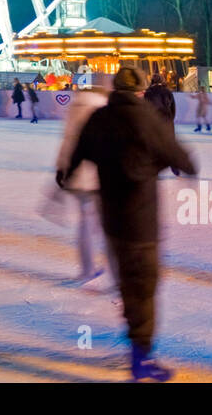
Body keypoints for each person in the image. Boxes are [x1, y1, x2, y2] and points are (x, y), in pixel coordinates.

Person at [63, 67, 197, 382]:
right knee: (145, 287)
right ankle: (141, 356)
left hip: (112, 217)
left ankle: (136, 340)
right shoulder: (147, 118)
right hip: (142, 219)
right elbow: (180, 157)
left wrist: (68, 176)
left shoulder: (99, 119)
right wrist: (164, 164)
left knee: (127, 281)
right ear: (140, 91)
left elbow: (78, 155)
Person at [53, 86, 112, 284]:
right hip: (96, 172)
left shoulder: (74, 106)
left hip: (75, 171)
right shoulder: (102, 107)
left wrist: (61, 168)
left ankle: (87, 268)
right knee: (106, 222)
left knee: (86, 221)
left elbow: (67, 139)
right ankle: (113, 270)